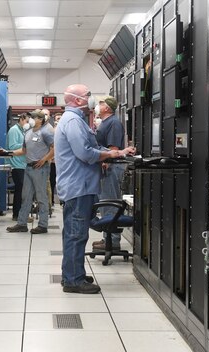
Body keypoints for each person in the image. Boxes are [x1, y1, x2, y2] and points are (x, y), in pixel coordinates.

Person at [55, 84, 135, 294]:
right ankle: (73, 280)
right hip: (78, 186)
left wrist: (116, 153)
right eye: (88, 95)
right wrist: (110, 154)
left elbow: (93, 148)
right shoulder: (72, 121)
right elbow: (86, 154)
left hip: (81, 186)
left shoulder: (77, 120)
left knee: (75, 232)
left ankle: (72, 274)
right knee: (76, 233)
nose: (92, 99)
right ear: (78, 100)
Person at [6, 110, 54, 234]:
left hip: (40, 168)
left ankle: (43, 225)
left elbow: (55, 148)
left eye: (33, 117)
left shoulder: (46, 132)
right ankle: (22, 223)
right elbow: (23, 150)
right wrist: (7, 153)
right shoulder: (27, 133)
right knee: (25, 196)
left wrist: (44, 160)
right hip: (28, 167)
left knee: (41, 197)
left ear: (40, 119)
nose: (30, 119)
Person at [93, 96, 127, 250]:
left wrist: (106, 162)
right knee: (105, 204)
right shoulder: (105, 123)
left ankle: (113, 241)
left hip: (111, 167)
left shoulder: (113, 123)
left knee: (111, 203)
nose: (98, 106)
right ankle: (107, 237)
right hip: (106, 166)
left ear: (107, 108)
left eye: (101, 104)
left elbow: (113, 148)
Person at [7, 113, 30, 221]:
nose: (28, 124)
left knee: (24, 191)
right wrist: (26, 144)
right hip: (17, 164)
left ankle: (22, 214)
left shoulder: (23, 131)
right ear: (21, 119)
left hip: (23, 164)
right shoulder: (14, 130)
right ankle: (17, 214)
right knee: (19, 190)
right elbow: (12, 146)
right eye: (26, 121)